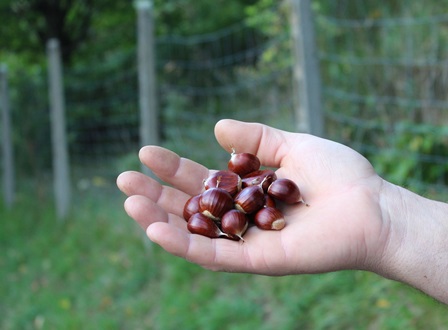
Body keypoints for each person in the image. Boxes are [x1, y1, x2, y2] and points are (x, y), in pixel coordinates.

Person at [116, 119, 448, 305]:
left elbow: (248, 196)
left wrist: (388, 220)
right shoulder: (242, 197)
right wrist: (390, 226)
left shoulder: (257, 193)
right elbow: (237, 200)